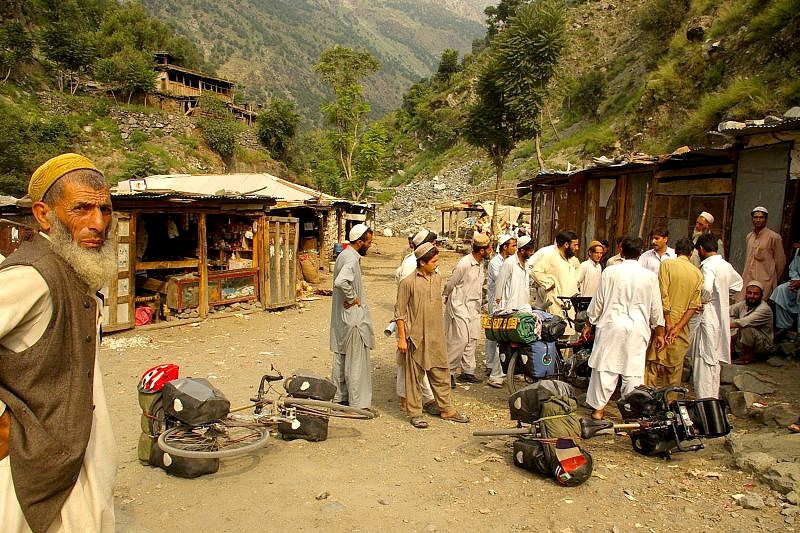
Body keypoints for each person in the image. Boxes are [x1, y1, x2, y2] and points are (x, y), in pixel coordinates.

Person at [0, 153, 118, 532]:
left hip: (75, 460)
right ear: (43, 213)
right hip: (28, 471)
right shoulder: (32, 276)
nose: (97, 223)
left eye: (104, 210)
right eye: (81, 209)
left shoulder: (77, 272)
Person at [582, 237, 665, 420]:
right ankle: (631, 413)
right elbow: (656, 308)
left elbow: (599, 301)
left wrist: (589, 323)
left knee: (605, 367)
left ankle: (598, 410)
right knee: (633, 371)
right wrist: (659, 332)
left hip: (612, 325)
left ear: (622, 252)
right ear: (640, 253)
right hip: (638, 328)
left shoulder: (610, 272)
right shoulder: (650, 276)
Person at [395, 243, 470, 428]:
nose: (437, 264)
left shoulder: (437, 278)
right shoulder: (408, 283)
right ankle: (415, 413)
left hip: (436, 335)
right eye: (434, 261)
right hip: (416, 337)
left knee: (441, 373)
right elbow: (399, 313)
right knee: (414, 377)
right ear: (422, 262)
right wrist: (402, 338)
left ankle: (447, 409)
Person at [330, 223, 376, 412]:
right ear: (359, 242)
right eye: (368, 242)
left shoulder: (345, 255)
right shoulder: (351, 258)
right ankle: (358, 404)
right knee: (356, 362)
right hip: (354, 318)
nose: (370, 246)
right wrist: (353, 297)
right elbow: (342, 281)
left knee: (342, 357)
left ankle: (340, 398)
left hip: (343, 318)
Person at [690, 233, 743, 398]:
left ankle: (705, 401)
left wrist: (704, 300)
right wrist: (723, 295)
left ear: (701, 249)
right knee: (713, 359)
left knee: (703, 358)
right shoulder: (725, 265)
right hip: (720, 316)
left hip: (708, 315)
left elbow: (706, 287)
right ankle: (712, 398)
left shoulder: (708, 266)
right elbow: (737, 284)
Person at [645, 237, 702, 389]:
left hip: (663, 324)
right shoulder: (697, 273)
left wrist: (668, 322)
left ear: (676, 251)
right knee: (674, 369)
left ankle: (647, 402)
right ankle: (670, 404)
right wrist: (677, 328)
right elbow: (693, 306)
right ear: (691, 253)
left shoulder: (667, 265)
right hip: (680, 328)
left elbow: (662, 295)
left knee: (652, 365)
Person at [394, 228, 438, 414]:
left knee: (418, 363)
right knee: (410, 365)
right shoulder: (412, 265)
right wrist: (403, 335)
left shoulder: (424, 265)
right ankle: (410, 400)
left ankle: (421, 398)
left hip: (423, 324)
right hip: (411, 323)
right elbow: (403, 303)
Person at [444, 233, 491, 385]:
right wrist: (446, 296)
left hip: (474, 305)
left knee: (472, 338)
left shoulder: (481, 263)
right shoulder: (464, 263)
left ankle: (468, 371)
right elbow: (452, 282)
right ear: (482, 250)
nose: (491, 250)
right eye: (489, 248)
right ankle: (449, 372)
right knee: (460, 339)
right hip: (459, 304)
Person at [485, 234, 517, 388]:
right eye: (513, 246)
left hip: (507, 303)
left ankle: (497, 366)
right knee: (494, 337)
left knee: (500, 336)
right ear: (505, 247)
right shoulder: (495, 263)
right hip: (496, 303)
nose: (515, 249)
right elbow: (502, 281)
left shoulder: (509, 262)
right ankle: (491, 366)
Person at [531, 230, 580, 322]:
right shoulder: (550, 255)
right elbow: (535, 271)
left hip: (570, 302)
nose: (577, 248)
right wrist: (548, 284)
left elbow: (578, 269)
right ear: (566, 245)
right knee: (556, 330)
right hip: (556, 301)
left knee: (570, 331)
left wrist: (575, 282)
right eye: (575, 245)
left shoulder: (572, 259)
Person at [741, 206, 785, 300]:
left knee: (761, 306)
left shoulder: (774, 237)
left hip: (765, 280)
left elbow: (780, 262)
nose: (758, 220)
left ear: (766, 219)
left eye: (761, 217)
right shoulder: (749, 236)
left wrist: (772, 277)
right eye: (755, 217)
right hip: (748, 278)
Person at [730, 281, 774, 364]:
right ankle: (732, 352)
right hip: (747, 341)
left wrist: (722, 326)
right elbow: (728, 310)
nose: (752, 296)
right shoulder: (744, 304)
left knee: (746, 327)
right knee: (729, 319)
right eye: (749, 293)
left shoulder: (764, 309)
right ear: (746, 293)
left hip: (763, 345)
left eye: (756, 294)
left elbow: (744, 322)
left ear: (761, 295)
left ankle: (748, 357)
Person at [494, 234, 536, 312]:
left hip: (524, 306)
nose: (532, 253)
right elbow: (500, 283)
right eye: (530, 251)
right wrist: (498, 301)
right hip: (510, 306)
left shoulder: (527, 264)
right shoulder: (509, 262)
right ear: (522, 251)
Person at [769, 243, 800, 339]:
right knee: (781, 290)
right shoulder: (798, 252)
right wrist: (796, 280)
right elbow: (793, 269)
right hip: (797, 281)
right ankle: (784, 326)